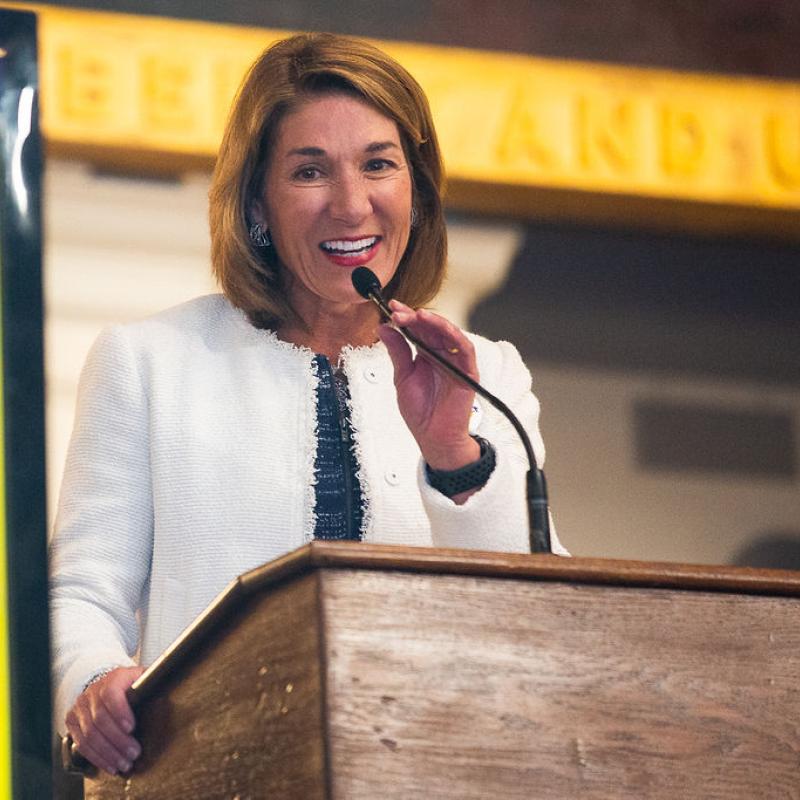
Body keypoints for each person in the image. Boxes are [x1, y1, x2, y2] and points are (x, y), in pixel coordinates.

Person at [50, 32, 568, 777]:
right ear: (258, 202)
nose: (351, 204)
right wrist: (94, 678)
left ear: (415, 191)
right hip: (214, 773)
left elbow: (547, 619)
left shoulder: (489, 373)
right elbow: (79, 593)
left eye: (379, 164)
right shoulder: (147, 364)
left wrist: (455, 457)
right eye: (309, 171)